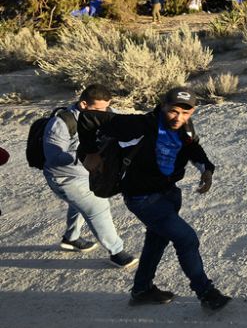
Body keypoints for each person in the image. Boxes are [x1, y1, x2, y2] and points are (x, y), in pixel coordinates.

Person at [77, 87, 230, 310]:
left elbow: (192, 146)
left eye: (186, 113)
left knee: (156, 241)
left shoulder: (185, 127)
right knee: (186, 238)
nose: (179, 117)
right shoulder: (139, 124)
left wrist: (206, 169)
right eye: (173, 111)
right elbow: (89, 117)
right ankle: (206, 292)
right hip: (142, 198)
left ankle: (141, 290)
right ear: (163, 106)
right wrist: (90, 152)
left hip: (168, 194)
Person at [42, 84, 137, 268]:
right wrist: (86, 156)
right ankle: (117, 252)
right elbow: (53, 157)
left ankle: (71, 238)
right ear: (84, 104)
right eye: (99, 109)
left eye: (106, 107)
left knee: (80, 205)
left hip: (87, 173)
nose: (104, 112)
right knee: (98, 206)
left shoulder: (107, 112)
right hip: (65, 178)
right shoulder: (61, 123)